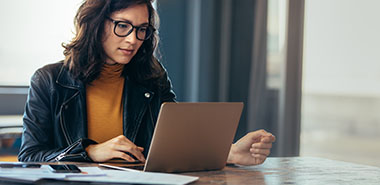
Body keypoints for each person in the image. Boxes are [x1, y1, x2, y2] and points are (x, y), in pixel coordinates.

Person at [18, 0, 276, 166]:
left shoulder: (151, 77)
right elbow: (29, 157)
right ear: (95, 25)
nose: (133, 39)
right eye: (123, 26)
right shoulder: (49, 81)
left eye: (142, 29)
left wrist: (228, 153)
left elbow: (175, 143)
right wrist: (90, 151)